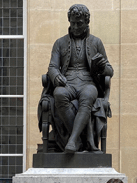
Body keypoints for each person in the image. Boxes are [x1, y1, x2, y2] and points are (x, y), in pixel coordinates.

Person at [47, 3, 114, 153]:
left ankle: (72, 141)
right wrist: (56, 76)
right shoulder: (60, 42)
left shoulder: (96, 42)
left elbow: (110, 70)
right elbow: (52, 66)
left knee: (88, 96)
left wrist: (102, 67)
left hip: (88, 83)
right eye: (73, 23)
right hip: (67, 82)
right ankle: (82, 140)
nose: (76, 27)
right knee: (58, 94)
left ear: (86, 22)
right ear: (69, 21)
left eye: (79, 23)